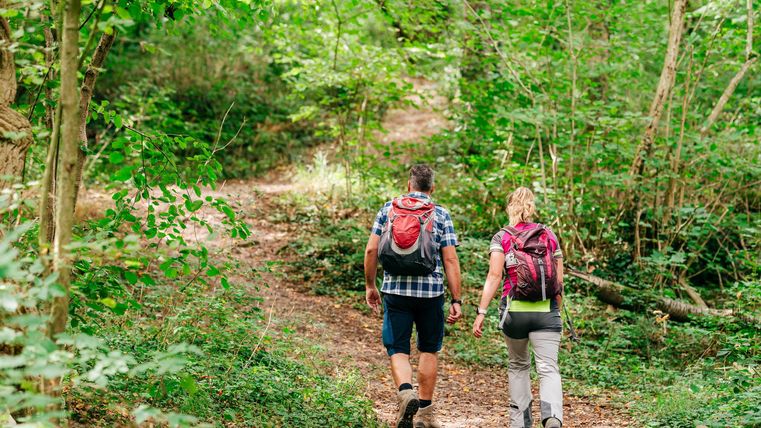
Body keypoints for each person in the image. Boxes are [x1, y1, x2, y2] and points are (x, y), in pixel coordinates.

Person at [364, 164, 463, 428]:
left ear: (409, 185)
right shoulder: (441, 213)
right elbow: (450, 259)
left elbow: (372, 250)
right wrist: (456, 299)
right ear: (432, 188)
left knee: (397, 348)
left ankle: (406, 392)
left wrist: (370, 285)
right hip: (430, 294)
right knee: (429, 348)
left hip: (395, 291)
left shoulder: (388, 208)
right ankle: (425, 414)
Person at [472, 187, 565, 428]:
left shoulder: (501, 237)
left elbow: (494, 276)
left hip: (514, 312)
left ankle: (520, 423)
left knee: (518, 365)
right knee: (548, 368)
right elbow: (559, 282)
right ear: (532, 207)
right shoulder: (549, 235)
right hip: (546, 312)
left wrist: (481, 312)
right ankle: (552, 416)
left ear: (509, 208)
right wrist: (556, 313)